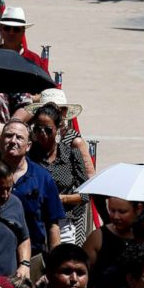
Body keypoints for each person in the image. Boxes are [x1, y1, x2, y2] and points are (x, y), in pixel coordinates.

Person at [0, 119, 64, 259]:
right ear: (0, 140)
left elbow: (53, 225)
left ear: (28, 146)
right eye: (9, 135)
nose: (13, 141)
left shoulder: (43, 178)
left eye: (19, 137)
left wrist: (55, 264)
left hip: (33, 257)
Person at [29, 103, 89, 245]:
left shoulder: (71, 155)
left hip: (64, 223)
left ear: (57, 129)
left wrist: (60, 199)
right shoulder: (28, 155)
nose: (42, 134)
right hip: (35, 221)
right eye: (37, 129)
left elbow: (85, 194)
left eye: (48, 130)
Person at [83, 198, 144, 288]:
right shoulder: (98, 237)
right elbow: (83, 271)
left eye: (122, 211)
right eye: (112, 210)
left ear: (138, 209)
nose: (116, 216)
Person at [0, 5, 49, 71]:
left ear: (23, 32)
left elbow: (46, 80)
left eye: (16, 29)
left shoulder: (34, 60)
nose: (11, 33)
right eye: (7, 28)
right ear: (0, 30)